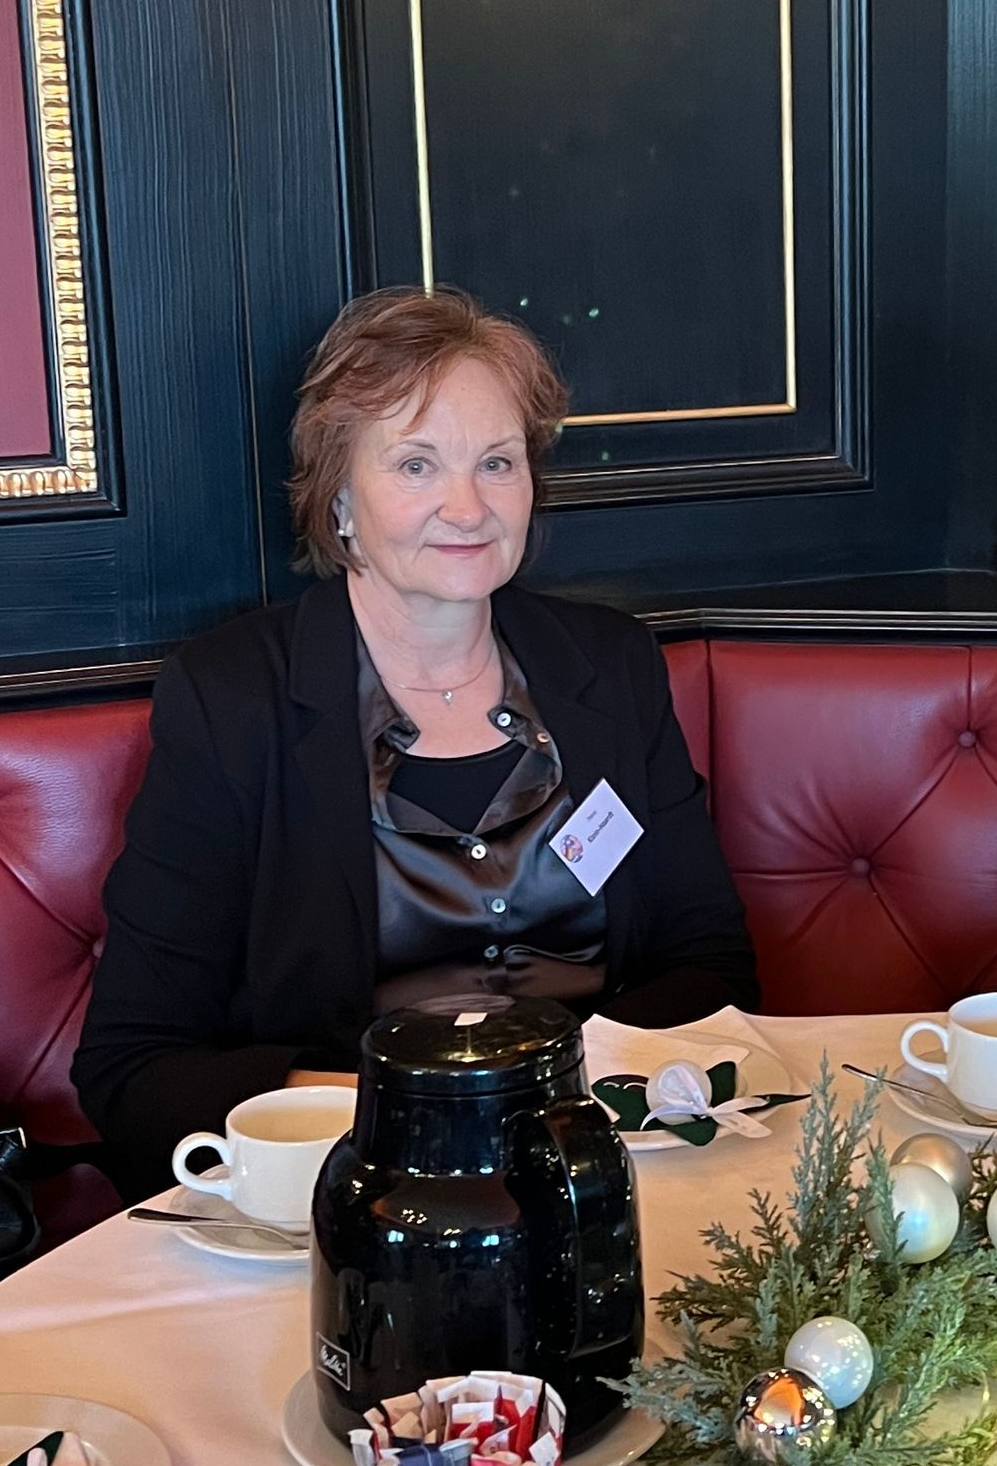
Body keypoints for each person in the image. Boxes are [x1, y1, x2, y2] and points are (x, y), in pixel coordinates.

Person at [74, 287, 758, 1197]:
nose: (468, 507)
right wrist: (411, 1111)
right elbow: (132, 1066)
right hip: (358, 1189)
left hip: (606, 1165)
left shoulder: (611, 665)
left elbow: (713, 966)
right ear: (339, 500)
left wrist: (567, 1101)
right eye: (416, 465)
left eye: (497, 463)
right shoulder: (234, 700)